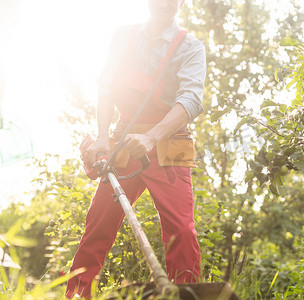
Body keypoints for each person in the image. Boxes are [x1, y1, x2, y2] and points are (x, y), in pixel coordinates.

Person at [65, 0, 206, 298]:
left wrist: (152, 137)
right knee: (98, 225)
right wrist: (103, 136)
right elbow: (107, 86)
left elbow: (191, 101)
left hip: (172, 143)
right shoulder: (124, 36)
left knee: (181, 230)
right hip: (124, 138)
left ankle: (185, 294)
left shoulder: (191, 47)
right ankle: (77, 295)